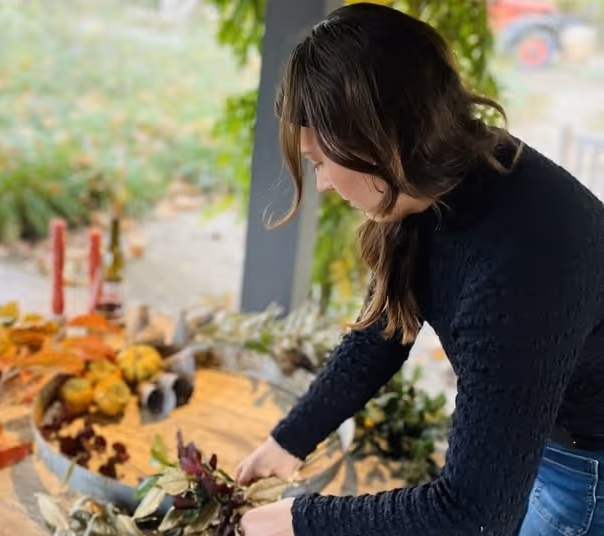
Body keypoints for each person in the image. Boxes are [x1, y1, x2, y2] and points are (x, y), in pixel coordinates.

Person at [235, 3, 604, 536]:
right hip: (542, 422)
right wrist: (288, 440)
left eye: (320, 162)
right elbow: (382, 330)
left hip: (587, 467)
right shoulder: (434, 177)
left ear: (376, 140)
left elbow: (473, 516)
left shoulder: (517, 263)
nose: (322, 185)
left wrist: (300, 521)